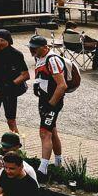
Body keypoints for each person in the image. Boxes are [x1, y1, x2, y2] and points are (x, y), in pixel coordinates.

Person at [29, 35, 67, 178]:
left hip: (52, 102)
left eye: (35, 48)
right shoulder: (40, 58)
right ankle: (58, 164)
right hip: (45, 101)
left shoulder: (53, 60)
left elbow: (62, 85)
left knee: (44, 132)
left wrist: (51, 105)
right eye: (31, 47)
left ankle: (42, 169)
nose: (32, 50)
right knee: (52, 131)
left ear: (45, 48)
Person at [0, 29, 29, 142]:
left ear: (8, 41)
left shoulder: (16, 54)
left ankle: (17, 148)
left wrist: (9, 85)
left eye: (2, 40)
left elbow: (25, 75)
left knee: (11, 120)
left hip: (9, 91)